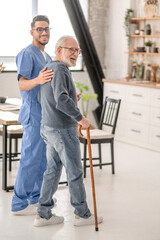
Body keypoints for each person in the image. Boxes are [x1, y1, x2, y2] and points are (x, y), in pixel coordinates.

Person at [34, 36, 103, 227]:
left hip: (49, 127)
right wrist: (81, 118)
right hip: (63, 130)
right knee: (74, 172)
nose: (75, 54)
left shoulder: (49, 67)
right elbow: (61, 100)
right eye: (71, 49)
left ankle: (43, 214)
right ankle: (82, 214)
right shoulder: (61, 69)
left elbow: (47, 97)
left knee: (52, 171)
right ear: (58, 50)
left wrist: (73, 96)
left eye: (77, 51)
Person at [11, 15, 54, 215]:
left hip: (46, 114)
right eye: (39, 29)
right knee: (30, 158)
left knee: (43, 159)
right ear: (32, 32)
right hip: (33, 113)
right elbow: (22, 84)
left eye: (46, 29)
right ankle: (19, 202)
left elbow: (48, 85)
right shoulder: (27, 54)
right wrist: (37, 79)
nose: (44, 32)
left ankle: (36, 196)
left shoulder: (48, 57)